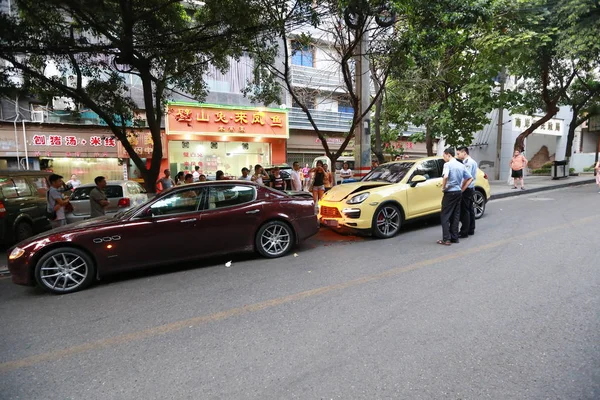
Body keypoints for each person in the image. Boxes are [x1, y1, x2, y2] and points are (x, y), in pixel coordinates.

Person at [438, 148, 473, 246]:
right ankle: (454, 237)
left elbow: (445, 176)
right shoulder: (461, 165)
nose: (443, 158)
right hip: (458, 192)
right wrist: (462, 189)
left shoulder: (447, 165)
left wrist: (444, 187)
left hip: (450, 192)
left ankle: (446, 239)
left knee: (445, 215)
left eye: (444, 155)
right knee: (455, 215)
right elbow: (470, 178)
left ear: (448, 155)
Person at [456, 146, 478, 238]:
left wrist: (462, 189)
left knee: (465, 211)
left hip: (467, 188)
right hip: (470, 188)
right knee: (469, 209)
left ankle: (464, 231)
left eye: (458, 153)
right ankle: (471, 229)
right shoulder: (470, 161)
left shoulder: (468, 163)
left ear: (464, 153)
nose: (457, 155)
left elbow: (467, 177)